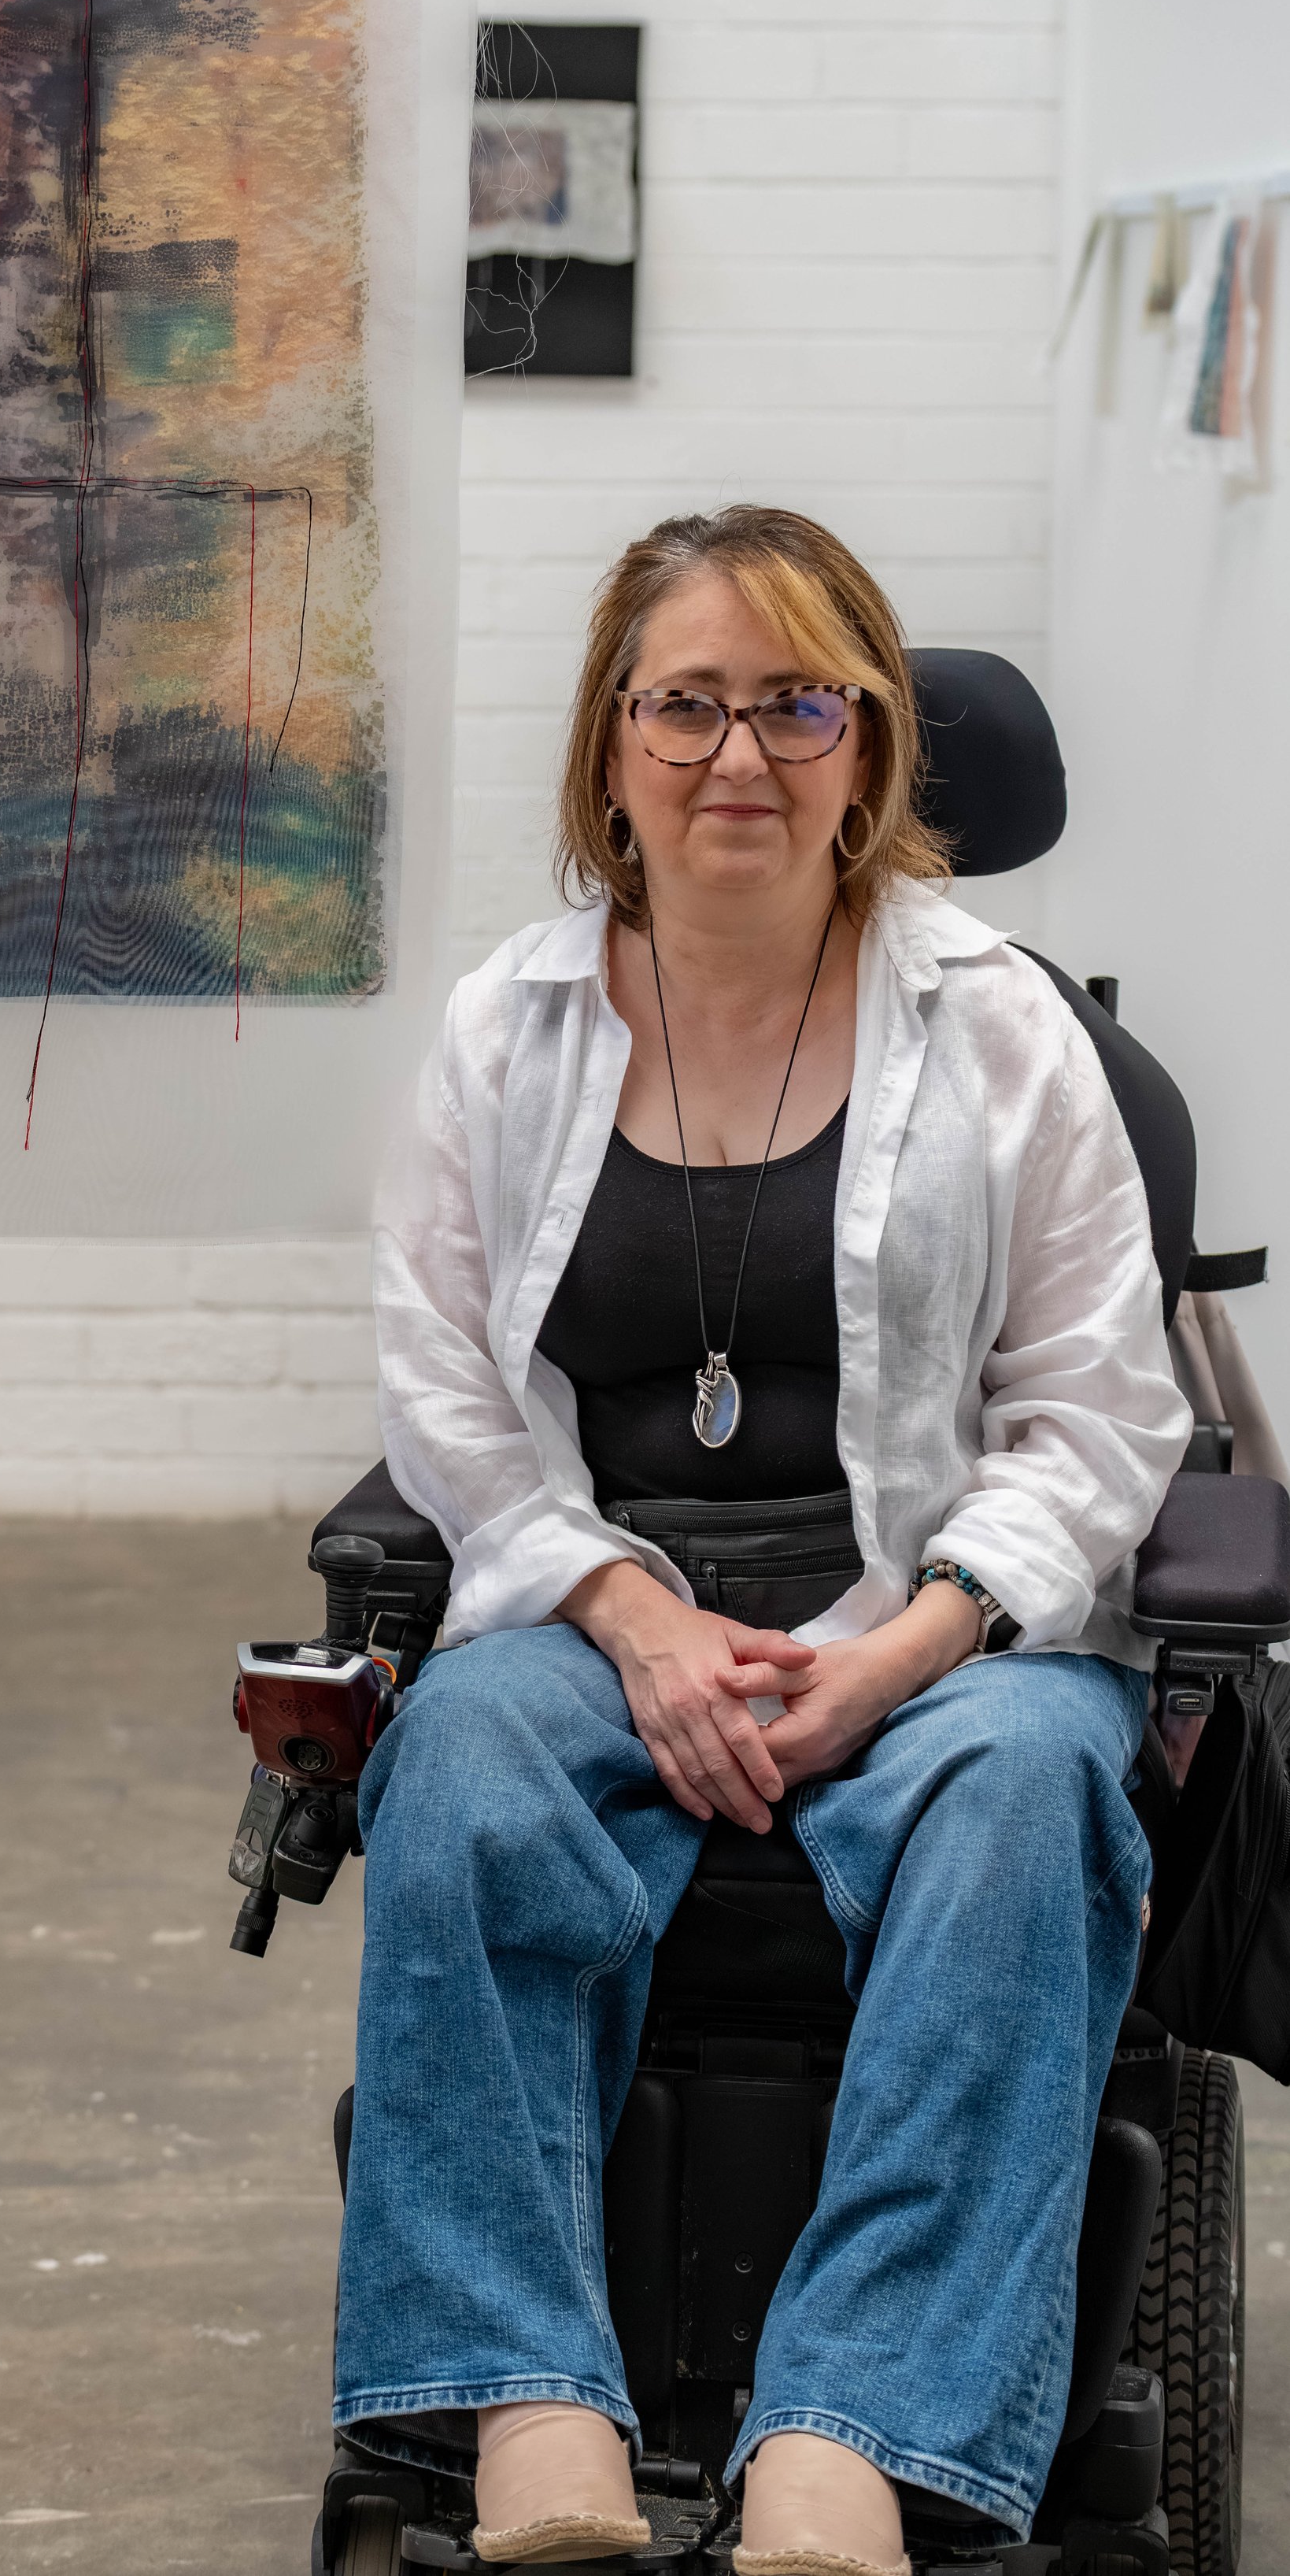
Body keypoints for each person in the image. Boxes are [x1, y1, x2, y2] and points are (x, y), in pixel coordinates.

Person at [335, 508, 1192, 2574]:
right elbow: (442, 1386)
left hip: (932, 1640)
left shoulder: (1004, 1034)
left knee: (1027, 1796)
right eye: (686, 704)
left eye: (794, 703)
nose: (739, 757)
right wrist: (630, 1620)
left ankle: (847, 2443)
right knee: (452, 1755)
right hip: (598, 1605)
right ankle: (531, 2402)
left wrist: (899, 1654)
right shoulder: (504, 1029)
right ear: (609, 746)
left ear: (872, 742)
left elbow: (1100, 1409)